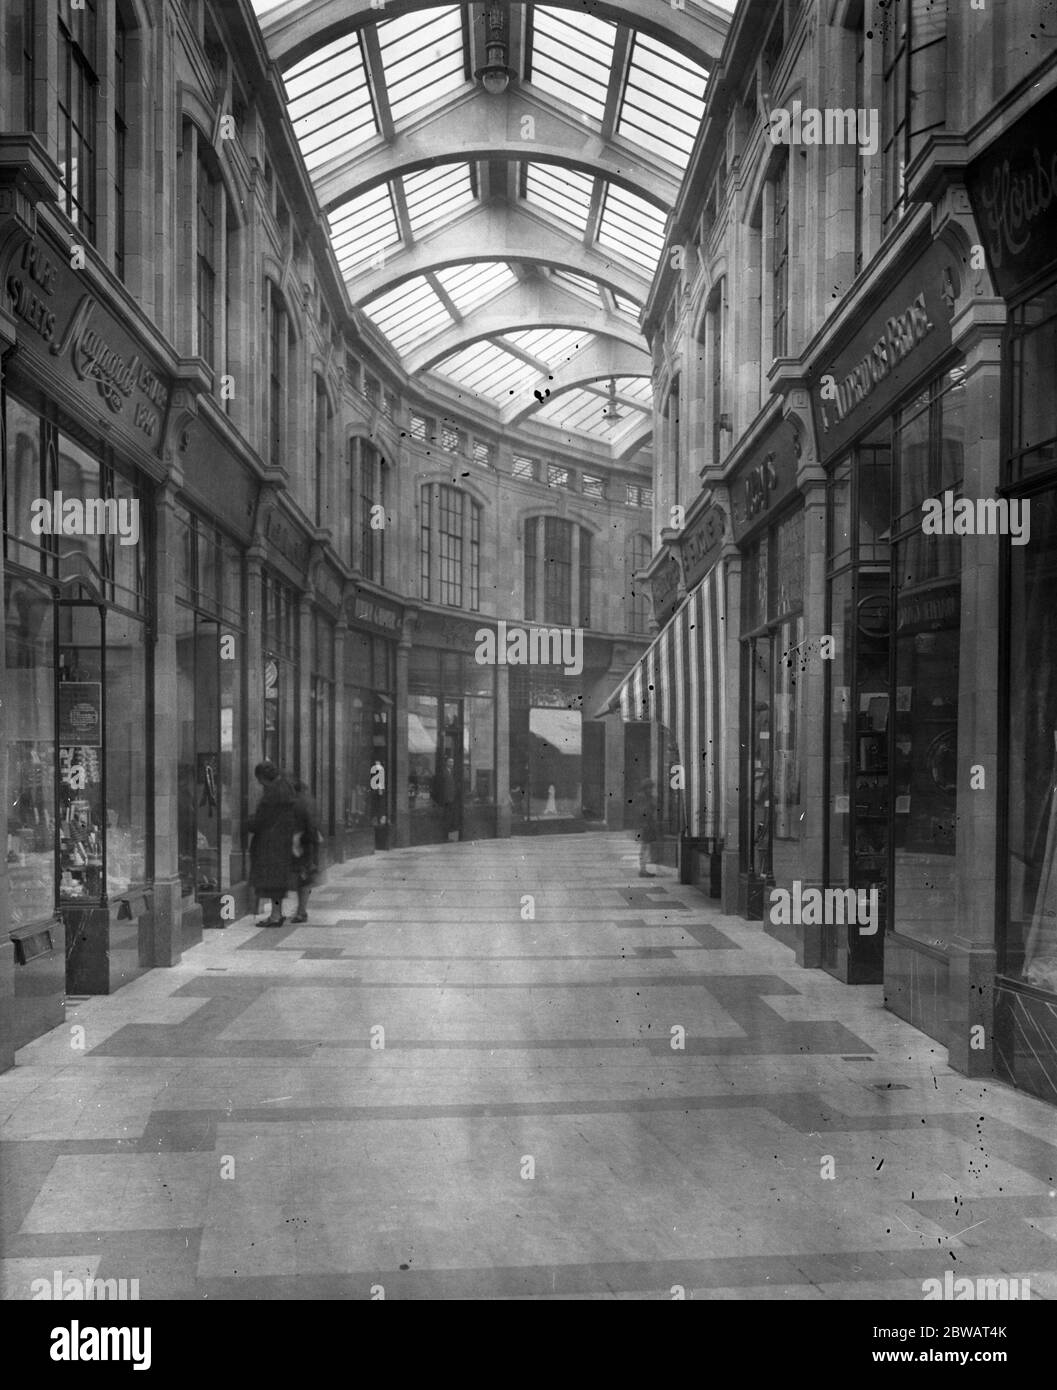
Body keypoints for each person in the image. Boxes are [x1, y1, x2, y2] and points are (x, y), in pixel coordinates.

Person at [247, 760, 309, 926]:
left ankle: (275, 916)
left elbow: (260, 821)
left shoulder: (272, 795)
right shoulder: (286, 789)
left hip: (270, 844)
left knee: (272, 884)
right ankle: (276, 914)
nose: (259, 783)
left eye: (259, 779)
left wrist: (248, 823)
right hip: (282, 843)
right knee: (277, 883)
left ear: (263, 777)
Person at [291, 779, 323, 924]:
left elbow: (303, 826)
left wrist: (297, 844)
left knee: (303, 880)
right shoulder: (310, 801)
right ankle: (301, 910)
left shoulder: (299, 803)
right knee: (305, 879)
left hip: (303, 845)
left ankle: (301, 911)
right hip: (310, 844)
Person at [636, 778, 660, 878]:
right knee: (644, 848)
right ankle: (643, 870)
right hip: (645, 825)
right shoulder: (643, 798)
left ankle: (643, 869)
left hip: (647, 825)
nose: (651, 790)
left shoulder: (647, 797)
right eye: (649, 788)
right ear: (645, 788)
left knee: (645, 847)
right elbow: (644, 812)